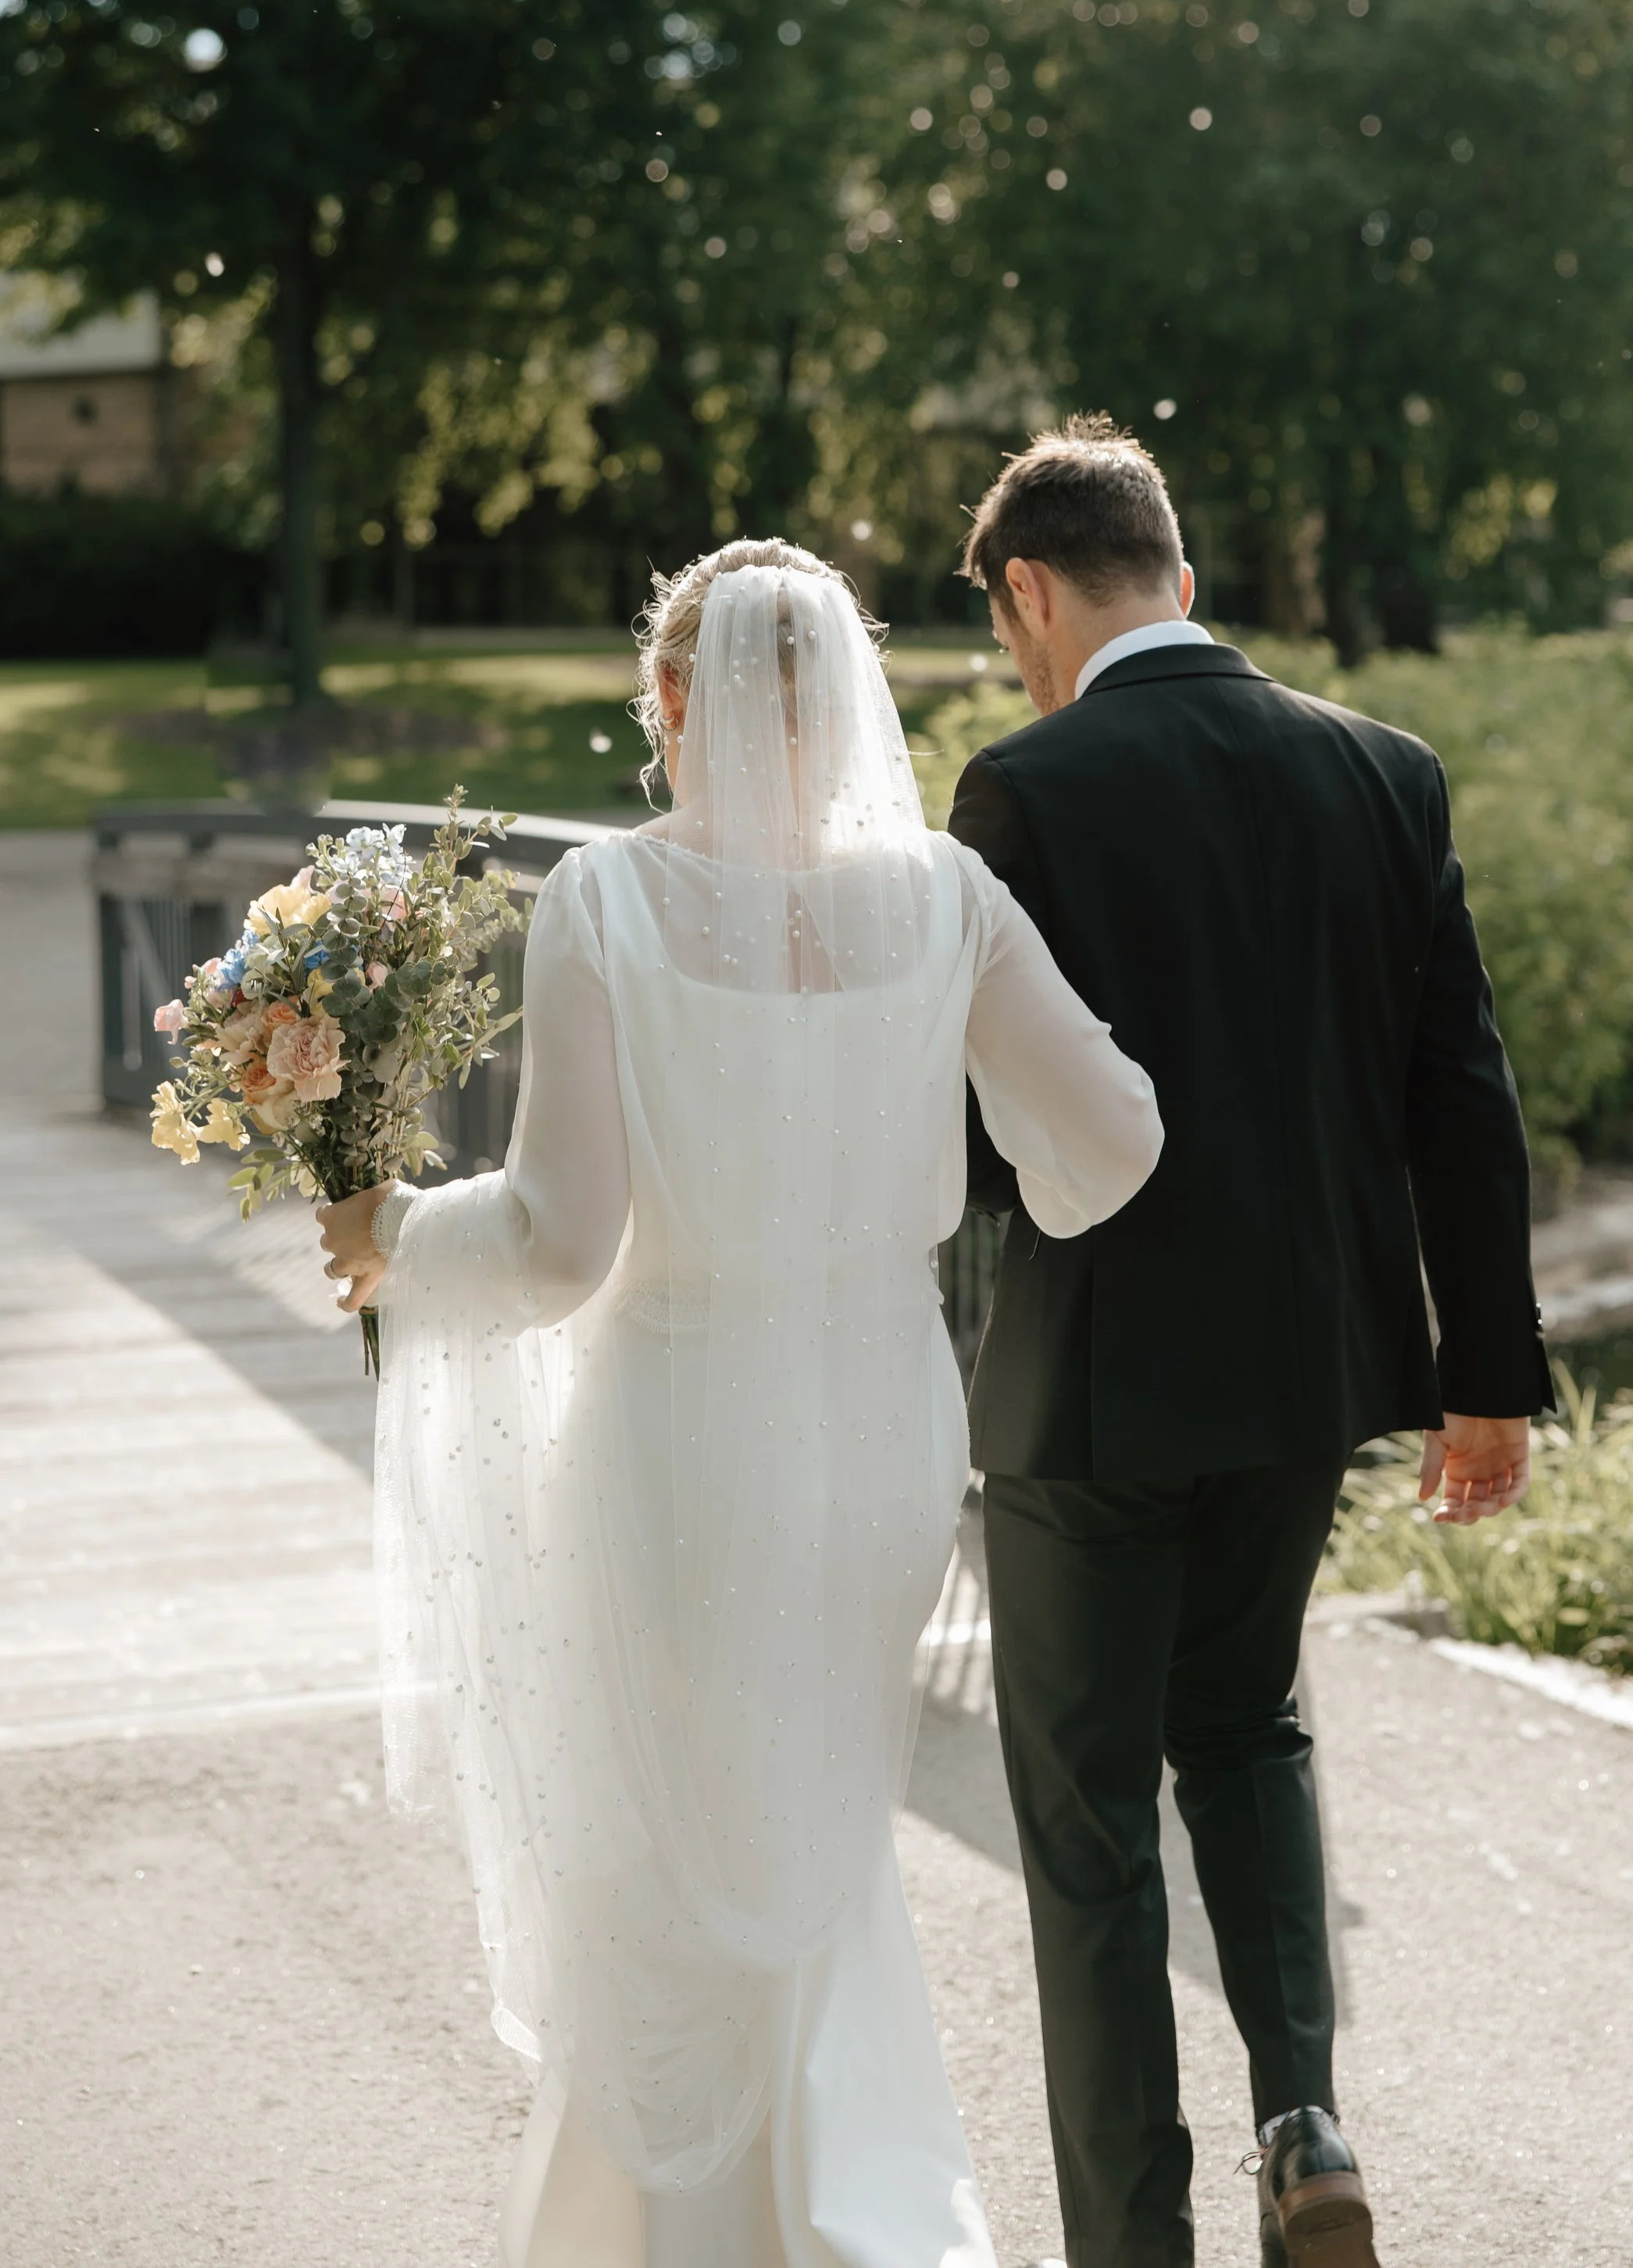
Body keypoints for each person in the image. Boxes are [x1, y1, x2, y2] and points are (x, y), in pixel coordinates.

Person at [316, 542, 1163, 2268]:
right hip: (878, 1420)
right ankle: (841, 2215)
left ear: (672, 699)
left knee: (682, 1829)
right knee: (825, 1823)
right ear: (843, 696)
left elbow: (560, 1246)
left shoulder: (609, 902)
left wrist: (392, 1232)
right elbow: (1117, 1138)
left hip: (687, 1422)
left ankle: (702, 2230)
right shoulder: (946, 897)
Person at [949, 419, 1553, 2268]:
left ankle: (1134, 2242)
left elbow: (977, 1138)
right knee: (1248, 1726)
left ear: (1030, 591)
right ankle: (1302, 2109)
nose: (1010, 659)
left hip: (1086, 1395)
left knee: (1084, 1825)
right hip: (1309, 1373)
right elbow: (1461, 1089)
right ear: (1184, 578)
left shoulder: (1020, 792)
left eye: (1003, 625)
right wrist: (1484, 1374)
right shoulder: (1385, 771)